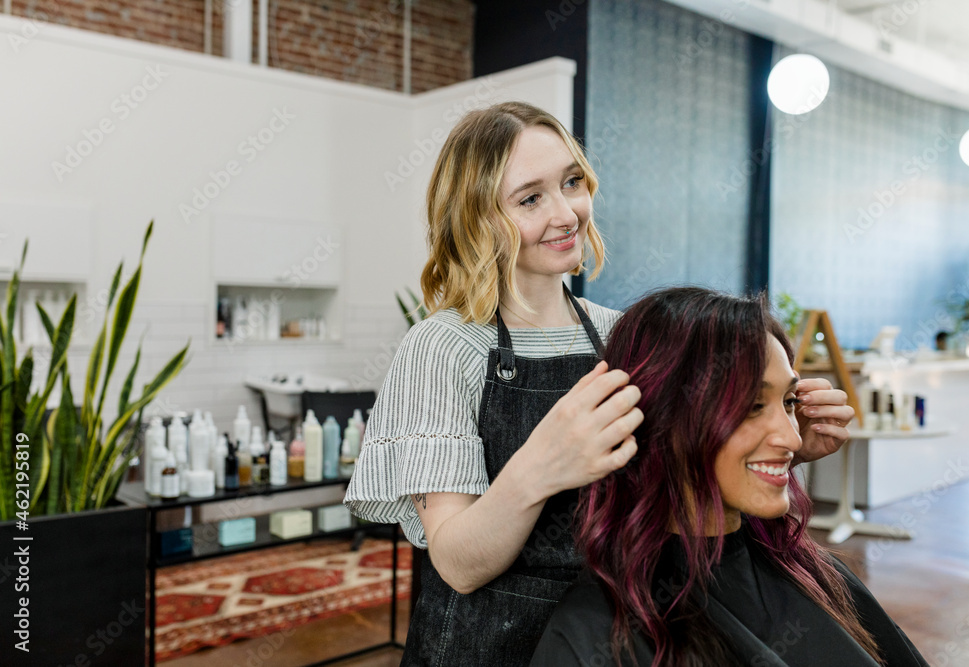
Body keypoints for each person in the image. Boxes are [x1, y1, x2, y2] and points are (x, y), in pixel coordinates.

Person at [344, 102, 855, 666]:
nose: (566, 213)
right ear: (476, 216)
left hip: (615, 638)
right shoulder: (442, 349)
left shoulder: (620, 335)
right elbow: (459, 566)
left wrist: (776, 440)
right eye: (530, 198)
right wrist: (541, 465)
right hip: (488, 646)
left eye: (572, 182)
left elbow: (675, 483)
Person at [530, 287, 928, 667]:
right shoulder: (593, 636)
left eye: (788, 401)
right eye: (752, 405)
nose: (792, 437)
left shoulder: (808, 571)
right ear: (666, 418)